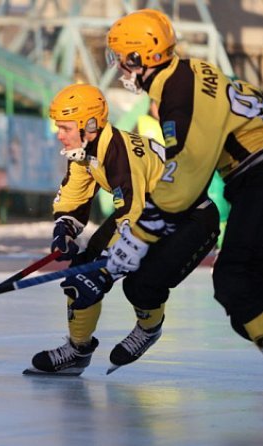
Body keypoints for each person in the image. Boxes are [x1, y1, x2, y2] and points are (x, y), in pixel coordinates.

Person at [23, 84, 219, 376]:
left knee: (140, 283)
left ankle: (149, 328)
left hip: (191, 220)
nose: (58, 134)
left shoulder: (122, 156)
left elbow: (134, 219)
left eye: (64, 127)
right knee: (82, 270)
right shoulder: (85, 151)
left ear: (89, 125)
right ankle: (78, 350)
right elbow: (74, 197)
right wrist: (64, 229)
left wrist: (105, 272)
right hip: (147, 215)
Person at [107, 9, 263, 356]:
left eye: (120, 58)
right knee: (248, 302)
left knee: (235, 282)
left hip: (259, 177)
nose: (118, 66)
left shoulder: (182, 95)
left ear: (138, 58)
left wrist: (138, 236)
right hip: (253, 179)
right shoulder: (187, 75)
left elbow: (186, 177)